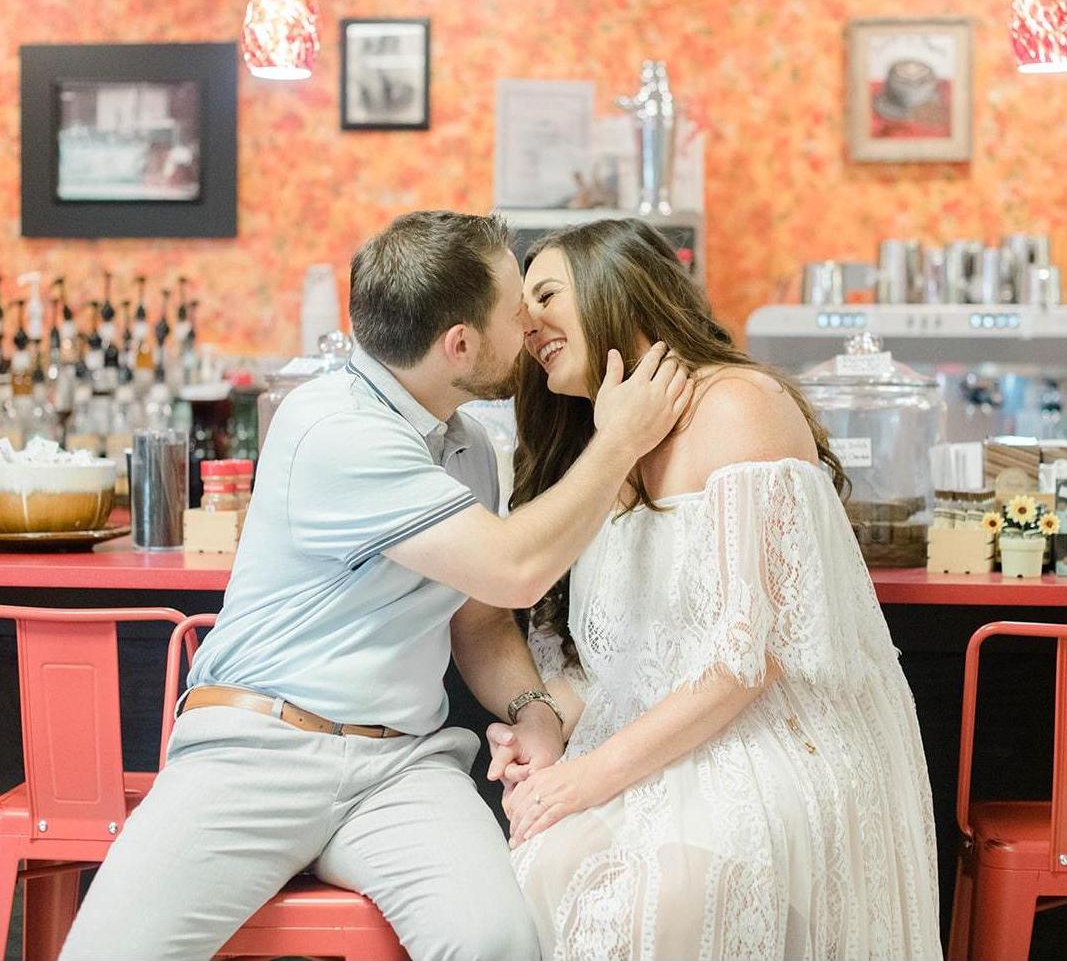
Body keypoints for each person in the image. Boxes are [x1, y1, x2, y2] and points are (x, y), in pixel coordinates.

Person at [59, 211, 693, 961]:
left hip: (400, 767)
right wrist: (619, 438)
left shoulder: (470, 446)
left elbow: (482, 617)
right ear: (459, 344)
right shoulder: (333, 427)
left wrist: (533, 709)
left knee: (497, 942)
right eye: (515, 306)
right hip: (258, 750)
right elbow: (515, 567)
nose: (530, 322)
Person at [490, 217, 941, 961]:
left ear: (618, 289)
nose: (527, 322)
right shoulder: (602, 444)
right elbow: (613, 660)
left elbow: (743, 660)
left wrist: (583, 779)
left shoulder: (738, 404)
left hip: (772, 736)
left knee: (662, 894)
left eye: (544, 294)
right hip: (664, 739)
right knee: (540, 866)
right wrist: (539, 730)